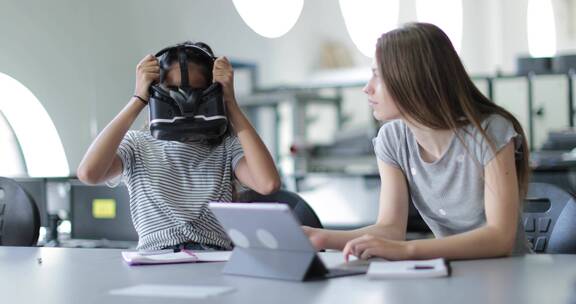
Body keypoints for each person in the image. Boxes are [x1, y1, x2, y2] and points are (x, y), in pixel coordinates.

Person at [304, 23, 531, 261]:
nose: (367, 88)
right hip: (452, 275)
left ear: (412, 78)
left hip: (508, 275)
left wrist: (408, 250)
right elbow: (390, 229)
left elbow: (500, 238)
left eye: (377, 76)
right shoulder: (392, 139)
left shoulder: (490, 132)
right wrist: (321, 237)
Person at [77, 41, 281, 251]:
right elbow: (88, 173)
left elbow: (267, 184)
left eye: (196, 91)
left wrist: (230, 102)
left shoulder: (226, 147)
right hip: (156, 260)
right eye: (173, 90)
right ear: (156, 92)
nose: (186, 102)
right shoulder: (137, 145)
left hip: (212, 260)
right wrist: (138, 98)